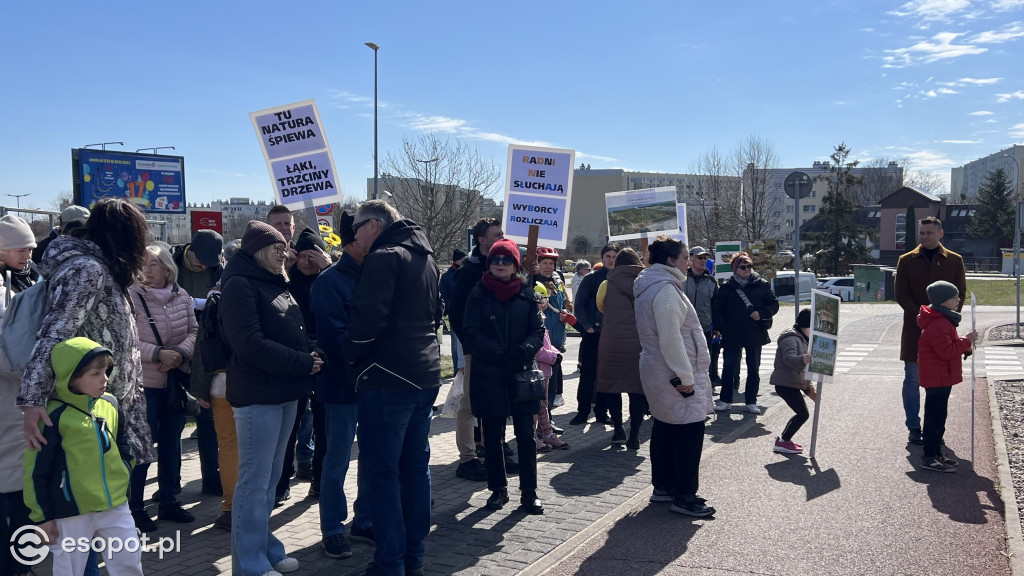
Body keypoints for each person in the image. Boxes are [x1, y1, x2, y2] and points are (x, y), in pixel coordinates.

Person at [345, 200, 442, 576]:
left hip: (387, 377)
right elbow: (435, 315)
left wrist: (352, 355)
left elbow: (367, 320)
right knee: (416, 469)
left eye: (356, 228)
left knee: (383, 474)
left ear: (374, 224)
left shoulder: (385, 256)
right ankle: (412, 559)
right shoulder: (425, 257)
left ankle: (390, 564)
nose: (354, 236)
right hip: (424, 375)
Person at [220, 220, 322, 576]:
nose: (286, 252)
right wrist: (302, 362)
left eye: (286, 246)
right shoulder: (239, 285)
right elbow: (248, 343)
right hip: (257, 394)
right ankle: (248, 563)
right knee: (254, 481)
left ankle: (265, 548)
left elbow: (292, 331)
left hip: (285, 391)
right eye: (279, 247)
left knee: (270, 478)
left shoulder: (276, 282)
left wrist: (310, 353)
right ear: (260, 249)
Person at [20, 198, 153, 464]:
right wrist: (32, 400)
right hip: (90, 409)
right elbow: (54, 333)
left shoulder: (101, 266)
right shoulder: (87, 269)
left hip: (107, 405)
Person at [22, 337, 142, 575]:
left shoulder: (111, 404)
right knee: (70, 571)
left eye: (106, 371)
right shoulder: (53, 417)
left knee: (129, 563)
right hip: (71, 512)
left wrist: (125, 470)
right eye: (95, 373)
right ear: (71, 379)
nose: (104, 379)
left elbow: (123, 443)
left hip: (115, 506)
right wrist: (41, 518)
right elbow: (35, 471)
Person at [632, 236, 716, 517]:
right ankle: (685, 494)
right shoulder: (666, 290)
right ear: (670, 261)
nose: (687, 262)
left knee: (666, 427)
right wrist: (685, 376)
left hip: (658, 369)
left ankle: (664, 487)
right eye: (683, 258)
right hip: (674, 373)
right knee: (689, 432)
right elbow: (671, 338)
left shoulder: (651, 284)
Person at [462, 239, 546, 514]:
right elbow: (470, 332)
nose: (500, 265)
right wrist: (498, 353)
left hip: (521, 373)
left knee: (525, 434)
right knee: (493, 436)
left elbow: (538, 330)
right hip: (489, 373)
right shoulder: (478, 294)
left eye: (506, 260)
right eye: (496, 260)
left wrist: (524, 351)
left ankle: (529, 492)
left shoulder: (528, 294)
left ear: (516, 265)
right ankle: (498, 490)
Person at [310, 212, 373, 558]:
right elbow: (334, 336)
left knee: (371, 456)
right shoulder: (329, 281)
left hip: (373, 383)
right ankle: (332, 527)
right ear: (351, 242)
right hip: (340, 383)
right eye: (367, 237)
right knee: (336, 460)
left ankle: (364, 520)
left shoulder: (376, 274)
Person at [127, 245, 198, 532]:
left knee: (172, 445)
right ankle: (135, 508)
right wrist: (157, 353)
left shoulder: (182, 296)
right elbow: (127, 339)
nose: (146, 269)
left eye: (153, 264)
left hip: (174, 381)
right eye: (142, 263)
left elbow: (194, 330)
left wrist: (180, 353)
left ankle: (169, 501)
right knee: (142, 448)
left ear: (168, 268)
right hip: (145, 384)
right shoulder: (130, 295)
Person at [894, 216, 966, 446]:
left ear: (940, 233)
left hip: (943, 331)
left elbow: (960, 294)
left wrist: (942, 320)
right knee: (912, 380)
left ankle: (933, 429)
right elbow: (901, 294)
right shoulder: (906, 260)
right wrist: (922, 316)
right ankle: (914, 427)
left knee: (938, 384)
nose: (925, 237)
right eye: (922, 233)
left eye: (930, 233)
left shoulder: (954, 261)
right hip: (915, 330)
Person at [276, 226, 331, 506]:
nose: (308, 262)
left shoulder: (328, 279)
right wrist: (285, 266)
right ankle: (281, 482)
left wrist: (329, 268)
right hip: (295, 360)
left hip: (325, 361)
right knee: (289, 427)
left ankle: (319, 481)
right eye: (303, 256)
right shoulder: (286, 280)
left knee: (323, 427)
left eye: (314, 256)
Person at [449, 218, 507, 481]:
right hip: (476, 351)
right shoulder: (468, 272)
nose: (502, 236)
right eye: (497, 234)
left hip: (500, 350)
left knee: (496, 401)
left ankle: (495, 447)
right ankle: (467, 460)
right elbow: (457, 313)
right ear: (482, 239)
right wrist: (471, 345)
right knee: (470, 404)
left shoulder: (503, 266)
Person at [172, 229, 225, 498]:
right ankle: (171, 483)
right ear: (189, 248)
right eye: (198, 259)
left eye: (208, 261)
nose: (202, 265)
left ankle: (211, 478)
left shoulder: (219, 270)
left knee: (207, 418)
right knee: (173, 420)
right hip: (172, 349)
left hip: (204, 349)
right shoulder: (171, 262)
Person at [917, 281, 977, 472]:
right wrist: (966, 340)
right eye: (954, 297)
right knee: (934, 418)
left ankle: (936, 454)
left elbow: (949, 345)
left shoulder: (943, 319)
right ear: (943, 301)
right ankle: (929, 456)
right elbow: (947, 351)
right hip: (937, 378)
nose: (958, 299)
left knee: (939, 417)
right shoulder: (939, 323)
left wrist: (964, 343)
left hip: (941, 376)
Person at [712, 252, 778, 414]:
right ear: (735, 269)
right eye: (743, 267)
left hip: (754, 334)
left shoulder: (761, 284)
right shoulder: (726, 287)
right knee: (728, 368)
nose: (747, 269)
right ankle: (725, 400)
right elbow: (717, 310)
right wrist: (722, 327)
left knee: (753, 369)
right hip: (732, 334)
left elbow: (774, 304)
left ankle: (751, 401)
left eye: (749, 266)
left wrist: (761, 314)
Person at [595, 248, 648, 449]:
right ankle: (635, 434)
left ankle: (618, 429)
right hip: (639, 343)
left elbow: (601, 307)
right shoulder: (645, 284)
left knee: (612, 387)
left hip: (612, 342)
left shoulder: (606, 284)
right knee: (637, 390)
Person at [570, 243, 619, 425]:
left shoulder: (620, 278)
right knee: (588, 374)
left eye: (615, 256)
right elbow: (580, 305)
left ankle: (601, 411)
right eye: (608, 256)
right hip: (593, 333)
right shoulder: (591, 278)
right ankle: (582, 411)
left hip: (612, 335)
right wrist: (587, 327)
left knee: (606, 375)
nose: (611, 260)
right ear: (602, 258)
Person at [769, 309, 816, 455]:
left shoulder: (803, 339)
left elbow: (803, 371)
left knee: (801, 413)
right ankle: (782, 442)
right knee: (803, 414)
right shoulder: (791, 338)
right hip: (785, 385)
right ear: (806, 326)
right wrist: (803, 359)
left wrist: (808, 388)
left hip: (791, 383)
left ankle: (783, 441)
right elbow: (789, 359)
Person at [531, 247, 571, 420]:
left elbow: (566, 305)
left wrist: (566, 314)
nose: (548, 267)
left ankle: (549, 422)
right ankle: (540, 426)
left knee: (552, 387)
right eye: (544, 263)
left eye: (551, 263)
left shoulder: (558, 282)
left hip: (555, 341)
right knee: (541, 386)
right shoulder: (531, 283)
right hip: (540, 343)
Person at [532, 283, 570, 451]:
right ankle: (532, 437)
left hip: (545, 371)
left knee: (544, 406)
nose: (542, 302)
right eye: (539, 299)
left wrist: (556, 353)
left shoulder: (542, 318)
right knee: (535, 407)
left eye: (544, 299)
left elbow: (547, 344)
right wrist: (554, 357)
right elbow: (537, 349)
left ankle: (547, 433)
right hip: (537, 371)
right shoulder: (532, 321)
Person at [683, 246, 721, 385]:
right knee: (687, 361)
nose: (703, 260)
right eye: (699, 257)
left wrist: (717, 326)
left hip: (704, 328)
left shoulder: (711, 281)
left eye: (705, 258)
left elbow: (716, 306)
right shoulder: (682, 279)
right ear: (690, 259)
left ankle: (704, 387)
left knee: (704, 361)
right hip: (684, 328)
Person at [0, 215, 39, 294]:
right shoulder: (2, 285)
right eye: (21, 250)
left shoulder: (34, 274)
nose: (28, 256)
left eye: (30, 249)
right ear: (2, 251)